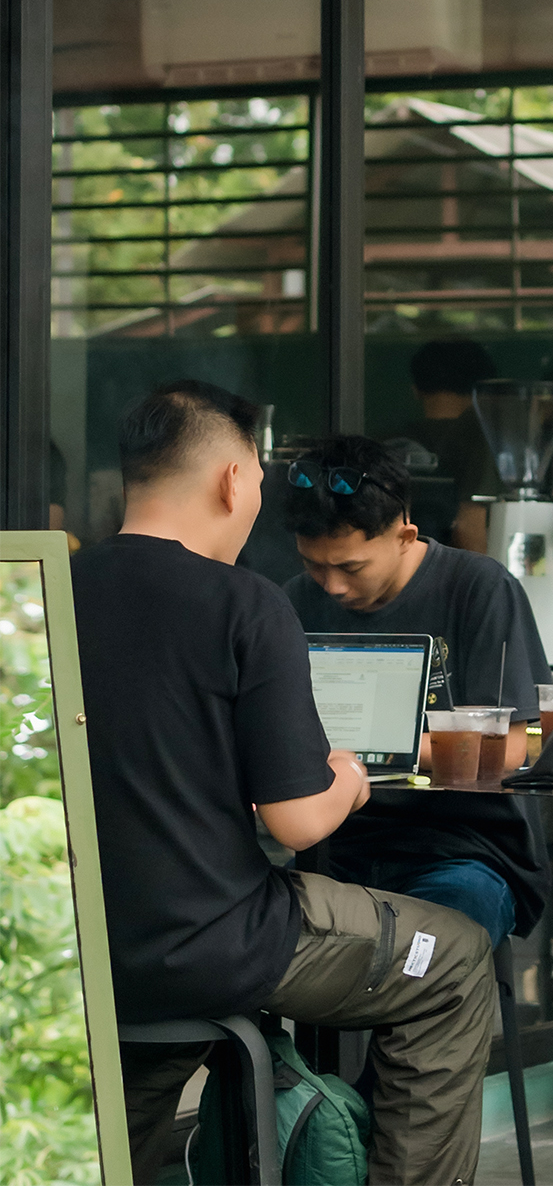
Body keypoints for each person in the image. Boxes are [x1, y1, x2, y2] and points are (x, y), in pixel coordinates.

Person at [71, 381, 494, 1186]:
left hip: (84, 946)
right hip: (220, 942)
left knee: (132, 1081)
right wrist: (347, 779)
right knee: (455, 959)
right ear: (234, 480)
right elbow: (298, 821)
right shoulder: (244, 603)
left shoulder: (53, 594)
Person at [282, 434, 552, 951]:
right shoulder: (295, 601)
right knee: (257, 946)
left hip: (465, 850)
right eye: (314, 565)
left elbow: (519, 748)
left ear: (405, 536)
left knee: (424, 958)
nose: (332, 586)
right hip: (335, 847)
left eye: (351, 567)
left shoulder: (479, 589)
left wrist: (369, 752)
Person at [393, 338, 501, 553]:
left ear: (416, 390)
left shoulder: (392, 444)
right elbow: (470, 526)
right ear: (483, 391)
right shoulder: (486, 442)